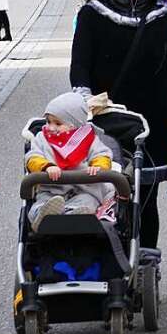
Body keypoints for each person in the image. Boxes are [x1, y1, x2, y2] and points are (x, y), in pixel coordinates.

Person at [71, 0, 167, 252]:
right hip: (108, 120)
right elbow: (79, 65)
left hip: (153, 124)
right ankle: (109, 262)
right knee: (106, 193)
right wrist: (84, 103)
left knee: (147, 199)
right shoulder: (93, 14)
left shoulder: (163, 17)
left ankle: (145, 261)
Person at [24, 92, 116, 231]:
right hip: (51, 191)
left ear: (75, 124)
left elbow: (102, 154)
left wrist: (97, 167)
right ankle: (42, 216)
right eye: (48, 121)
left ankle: (73, 213)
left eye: (58, 123)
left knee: (88, 201)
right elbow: (32, 157)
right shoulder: (41, 138)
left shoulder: (88, 140)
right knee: (39, 204)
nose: (51, 127)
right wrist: (46, 166)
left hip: (82, 189)